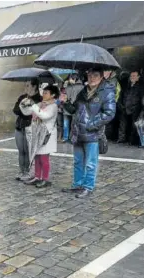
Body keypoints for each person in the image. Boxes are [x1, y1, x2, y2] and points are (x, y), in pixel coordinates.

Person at [62, 68, 116, 198]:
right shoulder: (83, 91)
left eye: (95, 75)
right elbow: (74, 109)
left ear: (102, 76)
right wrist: (65, 102)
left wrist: (91, 125)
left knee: (91, 163)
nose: (92, 78)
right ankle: (77, 185)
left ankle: (88, 187)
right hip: (78, 132)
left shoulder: (106, 91)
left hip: (92, 133)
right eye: (90, 75)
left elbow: (109, 113)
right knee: (77, 161)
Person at [20, 85, 59, 188]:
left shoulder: (53, 106)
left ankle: (45, 179)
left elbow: (44, 115)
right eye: (44, 92)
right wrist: (24, 104)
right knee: (37, 156)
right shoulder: (40, 104)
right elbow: (27, 112)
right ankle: (37, 176)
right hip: (37, 133)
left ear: (53, 95)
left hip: (46, 135)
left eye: (46, 93)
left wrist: (34, 106)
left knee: (43, 158)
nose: (44, 94)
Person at [13, 79, 42, 181]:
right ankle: (22, 171)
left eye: (28, 85)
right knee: (21, 151)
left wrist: (29, 106)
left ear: (34, 87)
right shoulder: (22, 97)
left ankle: (29, 172)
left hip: (31, 127)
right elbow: (15, 110)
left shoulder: (39, 99)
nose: (26, 88)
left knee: (29, 151)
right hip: (19, 126)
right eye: (25, 85)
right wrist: (23, 105)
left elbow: (36, 113)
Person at [118, 71, 143, 145]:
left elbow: (141, 99)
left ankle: (131, 141)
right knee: (122, 124)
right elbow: (121, 96)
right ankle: (121, 139)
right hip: (124, 107)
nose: (132, 77)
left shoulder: (140, 88)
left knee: (133, 126)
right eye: (131, 76)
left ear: (138, 77)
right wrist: (121, 105)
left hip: (135, 109)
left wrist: (139, 108)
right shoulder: (126, 86)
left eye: (134, 76)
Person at [62, 74, 84, 142]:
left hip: (67, 107)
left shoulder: (67, 87)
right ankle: (72, 138)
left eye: (71, 78)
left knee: (66, 123)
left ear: (74, 79)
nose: (69, 79)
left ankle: (65, 138)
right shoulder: (83, 87)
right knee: (74, 124)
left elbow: (64, 97)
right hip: (76, 108)